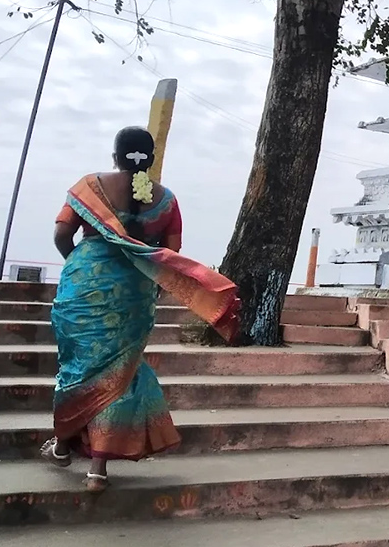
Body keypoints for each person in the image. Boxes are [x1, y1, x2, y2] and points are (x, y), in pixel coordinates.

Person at [41, 126, 240, 493]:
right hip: (135, 290)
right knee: (120, 372)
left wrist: (83, 266)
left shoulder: (89, 186)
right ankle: (96, 470)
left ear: (115, 156)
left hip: (84, 288)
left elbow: (61, 235)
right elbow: (171, 253)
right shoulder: (166, 200)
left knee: (78, 367)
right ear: (150, 159)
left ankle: (63, 446)